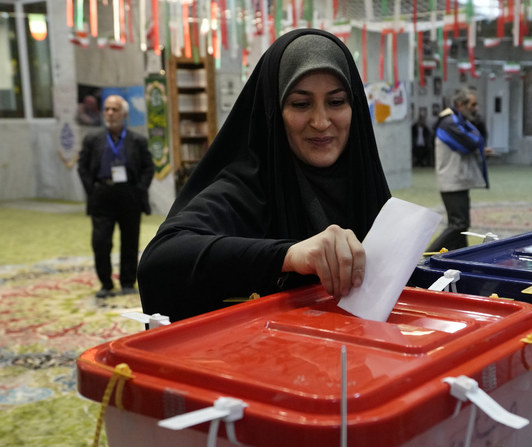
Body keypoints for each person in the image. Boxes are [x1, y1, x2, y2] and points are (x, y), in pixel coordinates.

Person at [137, 29, 391, 322]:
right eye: (300, 104)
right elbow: (160, 260)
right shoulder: (246, 188)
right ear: (274, 110)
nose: (321, 122)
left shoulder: (364, 182)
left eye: (336, 102)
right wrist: (288, 255)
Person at [77, 95, 154, 298]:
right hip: (102, 195)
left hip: (129, 195)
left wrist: (140, 190)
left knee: (130, 241)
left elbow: (148, 168)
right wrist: (91, 190)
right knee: (101, 242)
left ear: (125, 114)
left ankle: (128, 282)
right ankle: (106, 284)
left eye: (115, 109)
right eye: (107, 109)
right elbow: (83, 167)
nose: (110, 113)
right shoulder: (93, 139)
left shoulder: (137, 140)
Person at [426, 86, 489, 252]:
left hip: (457, 180)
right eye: (473, 105)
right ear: (461, 104)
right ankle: (425, 256)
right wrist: (478, 141)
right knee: (458, 224)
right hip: (452, 181)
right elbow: (470, 142)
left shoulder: (456, 120)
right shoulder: (450, 122)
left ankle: (460, 258)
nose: (475, 109)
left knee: (462, 226)